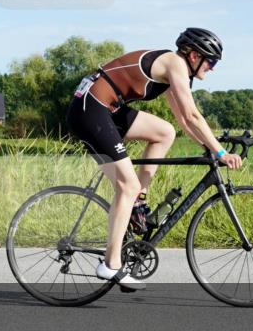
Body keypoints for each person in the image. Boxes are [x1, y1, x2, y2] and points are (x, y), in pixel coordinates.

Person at [66, 27, 243, 290]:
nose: (213, 68)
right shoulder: (175, 64)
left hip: (107, 109)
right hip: (89, 110)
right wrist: (219, 151)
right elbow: (194, 115)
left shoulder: (176, 72)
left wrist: (206, 145)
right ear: (194, 56)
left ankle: (139, 199)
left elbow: (183, 120)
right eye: (211, 61)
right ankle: (110, 265)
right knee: (127, 185)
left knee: (164, 132)